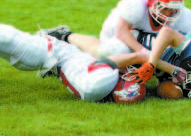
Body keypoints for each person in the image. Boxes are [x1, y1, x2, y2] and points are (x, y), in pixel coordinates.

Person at [46, 0, 191, 58]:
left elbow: (187, 50)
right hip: (120, 36)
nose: (169, 13)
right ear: (151, 1)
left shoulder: (186, 18)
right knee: (108, 53)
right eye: (164, 8)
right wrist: (144, 54)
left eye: (173, 9)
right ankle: (67, 36)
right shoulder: (136, 4)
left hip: (148, 42)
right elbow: (122, 32)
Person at [0, 23, 150, 102]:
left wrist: (138, 57)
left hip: (50, 50)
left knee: (5, 36)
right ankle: (64, 37)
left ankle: (63, 35)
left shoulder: (105, 78)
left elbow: (109, 59)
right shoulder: (96, 94)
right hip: (49, 63)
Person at [122, 27, 191, 100]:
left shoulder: (187, 85)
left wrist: (169, 91)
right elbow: (167, 33)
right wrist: (151, 64)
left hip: (133, 63)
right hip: (131, 40)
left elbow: (162, 87)